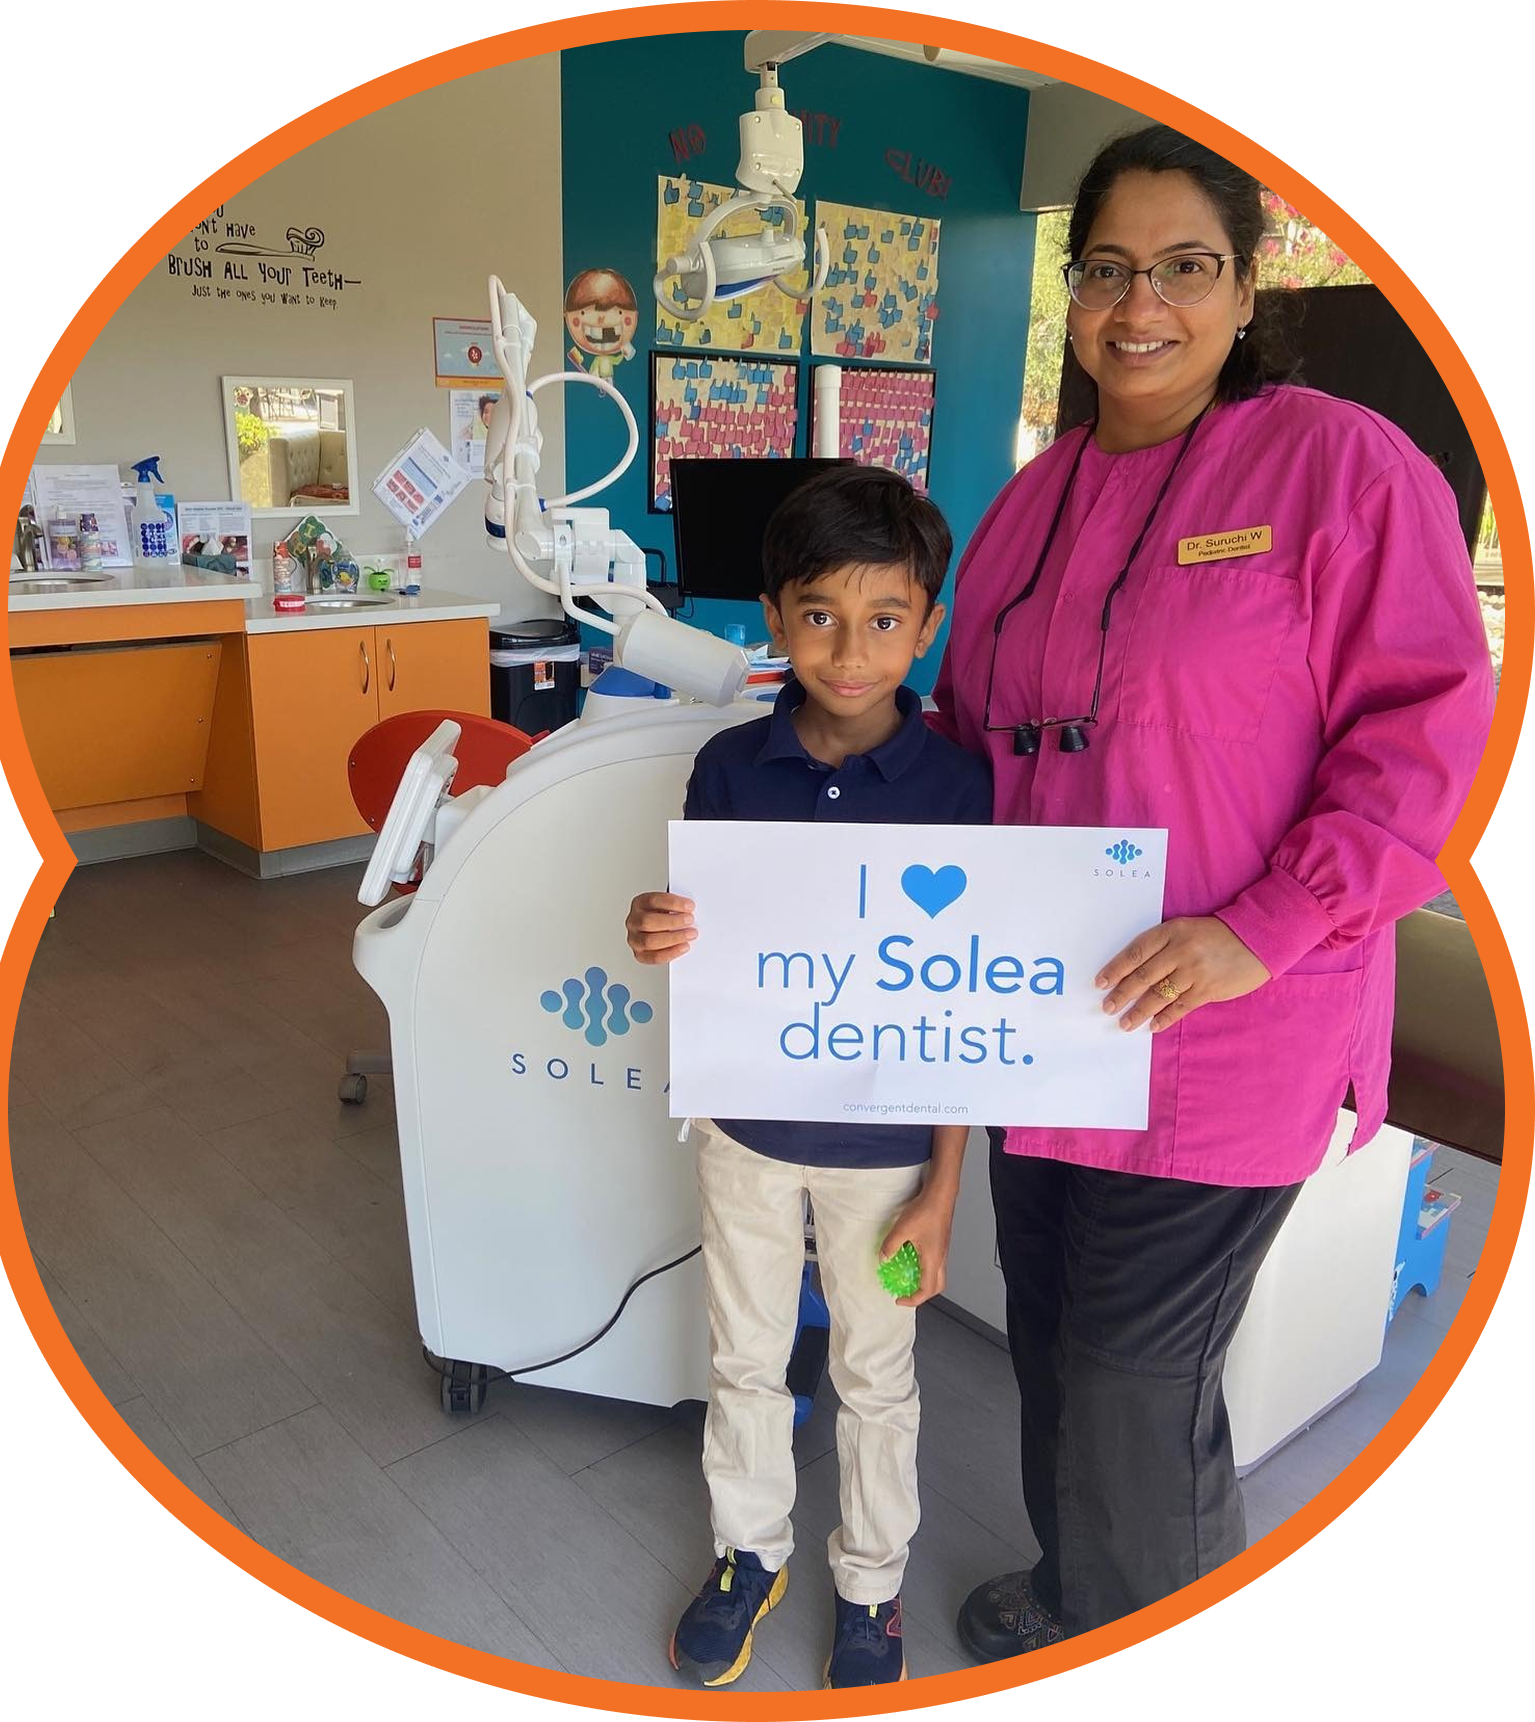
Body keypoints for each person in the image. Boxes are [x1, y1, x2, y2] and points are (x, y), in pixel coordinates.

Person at [916, 125, 1495, 1654]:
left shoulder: (1336, 467)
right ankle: (1068, 1589)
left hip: (1232, 1029)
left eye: (1185, 266)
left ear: (1247, 292)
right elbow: (972, 742)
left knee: (1131, 1381)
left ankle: (1125, 1608)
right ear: (1072, 290)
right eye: (1107, 267)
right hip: (1047, 1021)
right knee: (1051, 1342)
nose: (1140, 305)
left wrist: (1266, 928)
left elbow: (1427, 733)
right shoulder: (1027, 506)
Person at [625, 465, 993, 1689]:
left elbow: (965, 1006)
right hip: (744, 1140)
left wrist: (943, 1188)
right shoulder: (730, 770)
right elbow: (708, 938)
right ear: (773, 618)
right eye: (819, 614)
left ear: (927, 624)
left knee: (876, 1373)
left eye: (886, 618)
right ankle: (750, 1550)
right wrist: (658, 928)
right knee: (743, 1353)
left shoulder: (962, 791)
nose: (851, 648)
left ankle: (873, 1588)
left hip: (887, 1162)